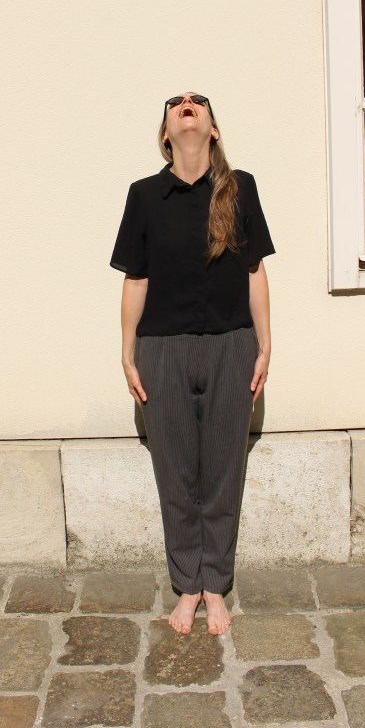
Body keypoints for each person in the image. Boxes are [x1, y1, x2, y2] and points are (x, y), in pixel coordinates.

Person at [110, 91, 274, 636]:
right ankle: (187, 585)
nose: (187, 104)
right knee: (176, 473)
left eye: (198, 101)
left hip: (231, 345)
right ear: (165, 133)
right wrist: (128, 351)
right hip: (163, 348)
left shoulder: (240, 187)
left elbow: (254, 270)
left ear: (213, 129)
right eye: (176, 103)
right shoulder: (144, 195)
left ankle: (216, 585)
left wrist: (265, 344)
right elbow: (135, 278)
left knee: (224, 471)